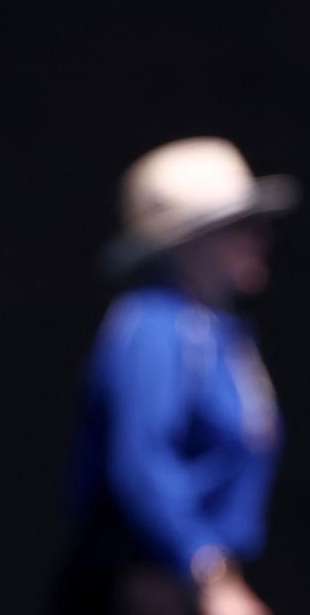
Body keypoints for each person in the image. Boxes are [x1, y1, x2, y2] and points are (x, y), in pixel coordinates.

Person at [60, 137, 298, 615]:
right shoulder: (151, 326)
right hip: (146, 590)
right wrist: (207, 574)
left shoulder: (223, 333)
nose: (259, 238)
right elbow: (141, 464)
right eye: (238, 226)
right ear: (187, 240)